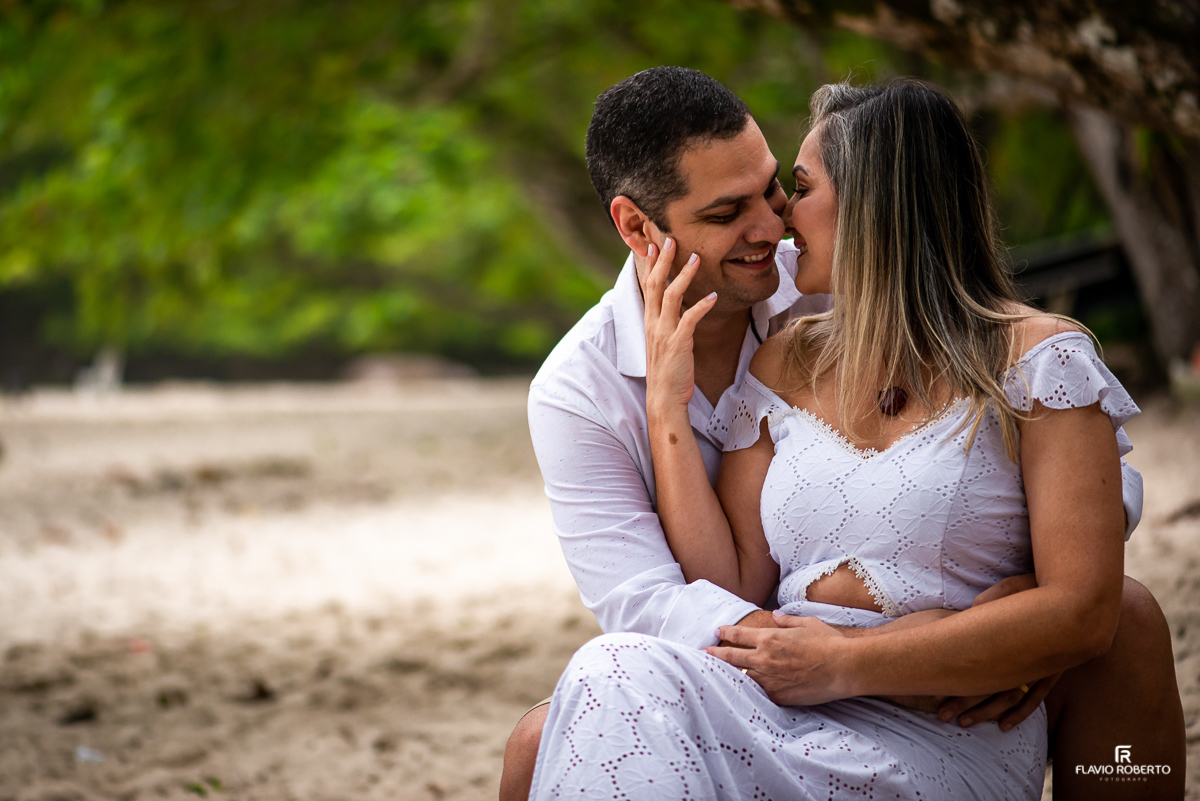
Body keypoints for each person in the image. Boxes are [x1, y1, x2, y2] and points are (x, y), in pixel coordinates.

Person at [502, 68, 1183, 800]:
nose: (774, 227)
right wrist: (666, 409)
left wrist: (1025, 601)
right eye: (731, 211)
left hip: (942, 713)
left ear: (877, 206)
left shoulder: (841, 290)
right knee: (599, 679)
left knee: (1129, 615)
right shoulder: (589, 390)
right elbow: (664, 600)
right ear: (638, 227)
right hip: (783, 688)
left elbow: (1090, 523)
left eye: (781, 189)